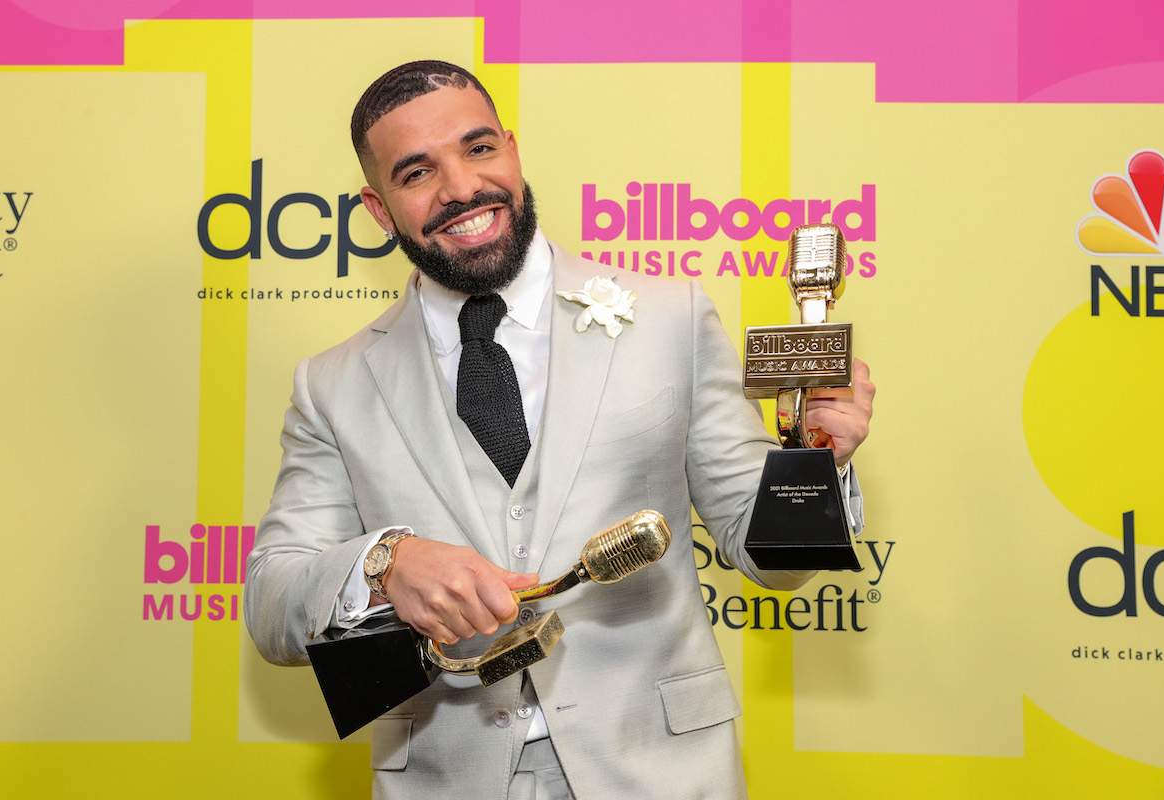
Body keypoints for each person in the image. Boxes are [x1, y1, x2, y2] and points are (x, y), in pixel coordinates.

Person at [245, 60, 874, 800]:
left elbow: (771, 557)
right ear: (380, 210)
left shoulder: (671, 319)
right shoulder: (333, 384)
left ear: (511, 149)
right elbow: (273, 602)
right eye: (417, 173)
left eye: (478, 149)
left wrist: (813, 460)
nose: (461, 189)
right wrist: (385, 563)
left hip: (661, 774)